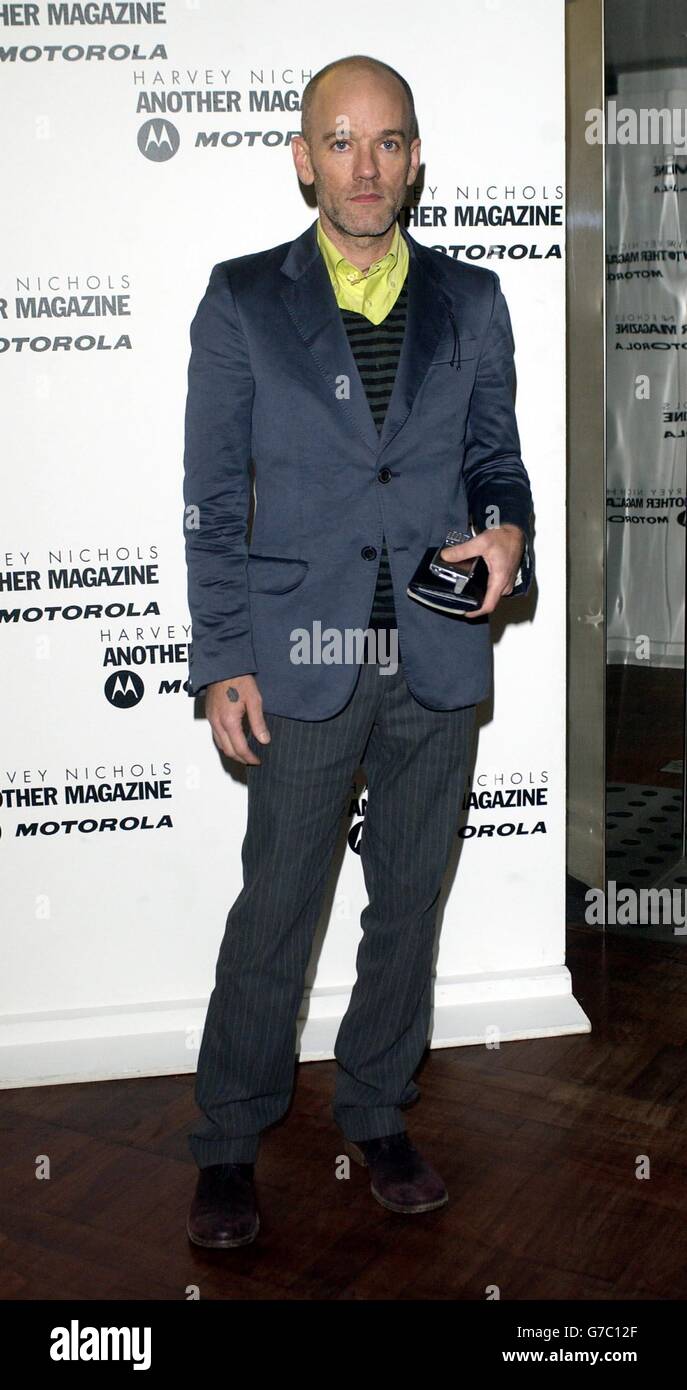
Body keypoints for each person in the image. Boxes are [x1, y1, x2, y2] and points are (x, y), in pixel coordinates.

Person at [182, 52, 534, 1249]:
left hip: (434, 650)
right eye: (341, 140)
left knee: (407, 905)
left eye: (388, 141)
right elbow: (210, 494)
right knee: (278, 903)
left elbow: (499, 460)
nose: (365, 164)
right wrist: (224, 654)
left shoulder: (474, 301)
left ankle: (378, 1108)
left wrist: (509, 530)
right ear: (303, 159)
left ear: (417, 157)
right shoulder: (241, 300)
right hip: (298, 655)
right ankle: (229, 1137)